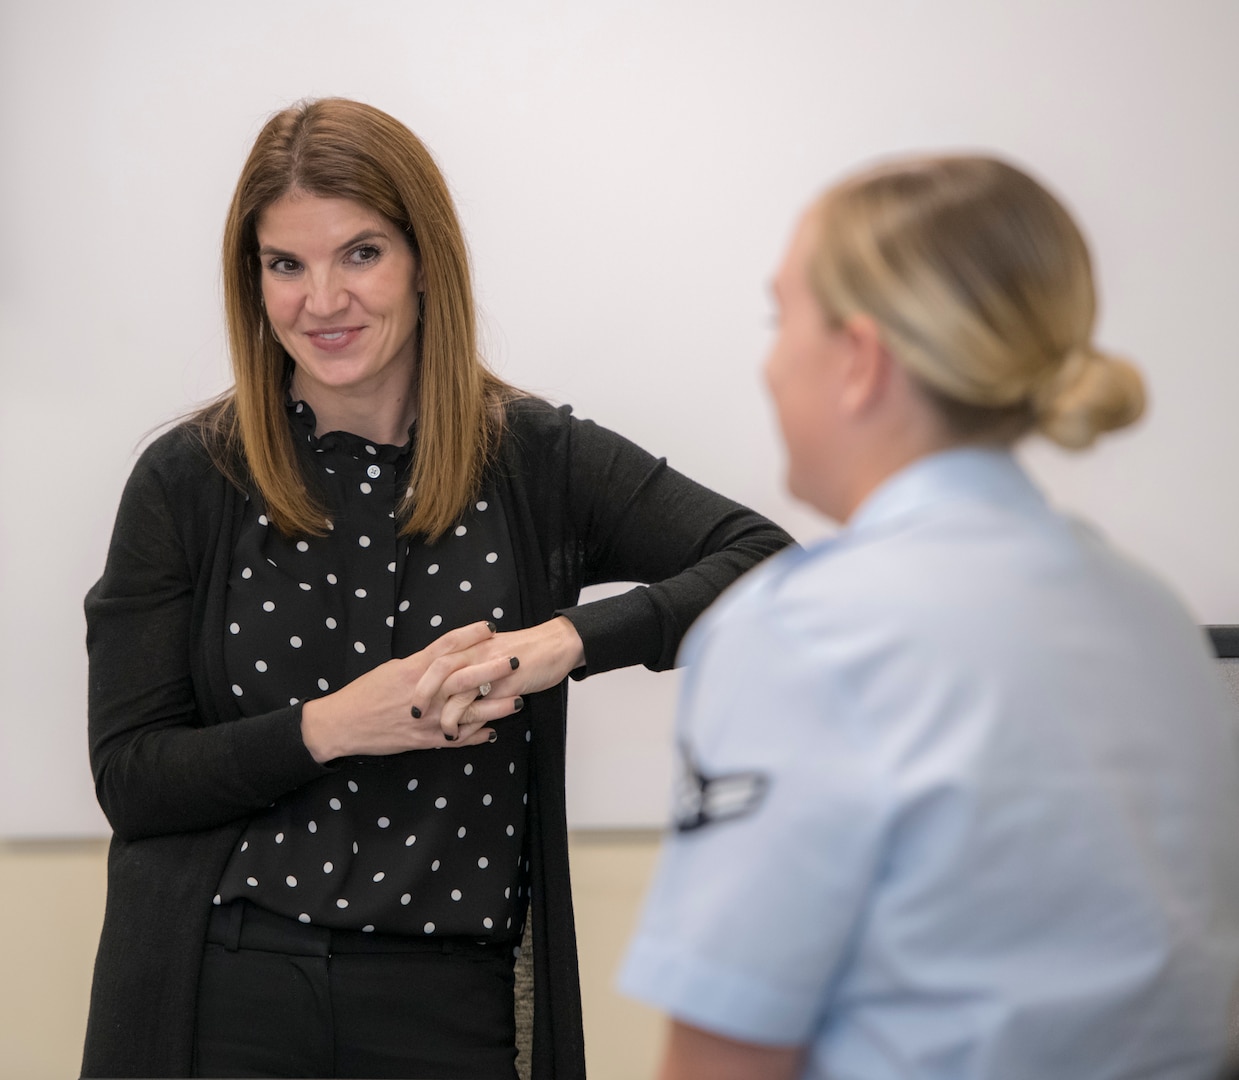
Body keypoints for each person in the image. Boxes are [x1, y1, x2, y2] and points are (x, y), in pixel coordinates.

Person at [82, 97, 792, 1080]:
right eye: (285, 264)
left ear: (425, 260)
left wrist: (562, 643)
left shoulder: (536, 459)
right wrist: (331, 725)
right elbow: (132, 776)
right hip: (224, 988)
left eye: (360, 254)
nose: (320, 300)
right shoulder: (188, 480)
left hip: (448, 1003)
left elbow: (767, 565)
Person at [620, 155, 1239, 1079]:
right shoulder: (1154, 619)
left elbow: (727, 1056)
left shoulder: (804, 636)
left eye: (779, 317)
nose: (770, 359)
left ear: (860, 361)